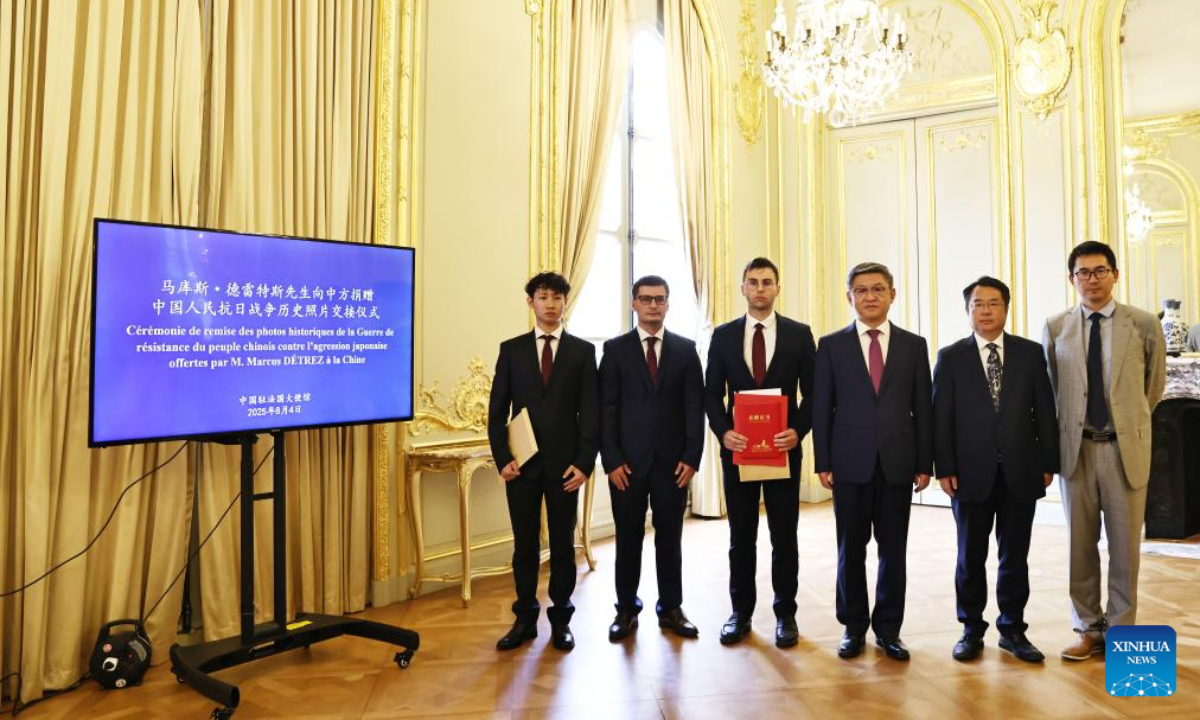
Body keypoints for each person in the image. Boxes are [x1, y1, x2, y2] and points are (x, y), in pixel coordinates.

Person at [1043, 241, 1166, 661]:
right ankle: (1086, 627)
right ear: (1071, 279)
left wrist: (1127, 426)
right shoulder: (1055, 327)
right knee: (1079, 545)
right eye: (1083, 272)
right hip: (1076, 451)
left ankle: (1121, 631)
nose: (1091, 279)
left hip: (1123, 449)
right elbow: (1053, 392)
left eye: (1100, 271)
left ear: (1115, 274)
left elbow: (1153, 389)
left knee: (1125, 547)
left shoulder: (1143, 324)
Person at [933, 276, 1059, 663]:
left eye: (993, 303)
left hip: (1021, 470)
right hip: (969, 473)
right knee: (970, 556)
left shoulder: (1029, 353)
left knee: (1014, 555)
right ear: (967, 310)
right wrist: (945, 467)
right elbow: (941, 418)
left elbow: (1045, 411)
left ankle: (1013, 629)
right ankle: (971, 628)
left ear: (1006, 308)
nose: (986, 311)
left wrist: (1048, 463)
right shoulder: (951, 357)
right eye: (978, 304)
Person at [812, 261, 933, 661]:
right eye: (861, 290)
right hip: (849, 463)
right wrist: (823, 461)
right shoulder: (831, 346)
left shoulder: (914, 346)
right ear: (850, 297)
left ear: (892, 295)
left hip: (898, 463)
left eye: (878, 289)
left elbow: (923, 408)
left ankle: (889, 630)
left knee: (893, 550)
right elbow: (822, 407)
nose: (870, 297)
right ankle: (853, 627)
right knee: (851, 548)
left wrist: (924, 462)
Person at [704, 257, 816, 648]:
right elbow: (711, 394)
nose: (760, 288)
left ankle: (786, 614)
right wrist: (724, 432)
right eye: (753, 282)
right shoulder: (723, 336)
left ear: (777, 288)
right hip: (739, 453)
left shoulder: (800, 335)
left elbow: (813, 394)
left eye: (767, 282)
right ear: (743, 288)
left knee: (784, 537)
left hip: (782, 451)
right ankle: (740, 613)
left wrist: (798, 430)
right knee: (741, 537)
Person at [487, 272, 599, 652]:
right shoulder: (511, 350)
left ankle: (562, 619)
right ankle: (524, 619)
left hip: (566, 467)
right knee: (524, 546)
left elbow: (591, 413)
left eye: (557, 297)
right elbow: (496, 412)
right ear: (530, 302)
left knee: (564, 546)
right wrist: (503, 458)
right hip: (522, 466)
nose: (550, 304)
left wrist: (584, 463)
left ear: (566, 302)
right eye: (543, 297)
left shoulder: (583, 352)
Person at [599, 275, 705, 642]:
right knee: (628, 539)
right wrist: (611, 460)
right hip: (626, 467)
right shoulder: (615, 350)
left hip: (673, 466)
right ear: (634, 304)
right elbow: (606, 409)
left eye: (660, 299)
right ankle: (626, 609)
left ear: (668, 304)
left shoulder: (686, 350)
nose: (653, 305)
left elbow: (694, 407)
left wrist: (692, 457)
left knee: (670, 539)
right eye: (646, 299)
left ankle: (671, 608)